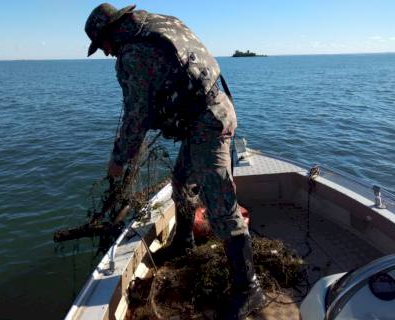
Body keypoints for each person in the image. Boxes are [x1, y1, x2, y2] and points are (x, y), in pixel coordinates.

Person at [85, 3, 265, 319]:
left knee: (220, 204)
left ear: (111, 32)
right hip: (213, 109)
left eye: (102, 46)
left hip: (208, 124)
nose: (106, 53)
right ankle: (183, 242)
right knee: (182, 184)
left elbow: (137, 115)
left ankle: (249, 288)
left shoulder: (134, 53)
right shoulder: (163, 23)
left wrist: (119, 159)